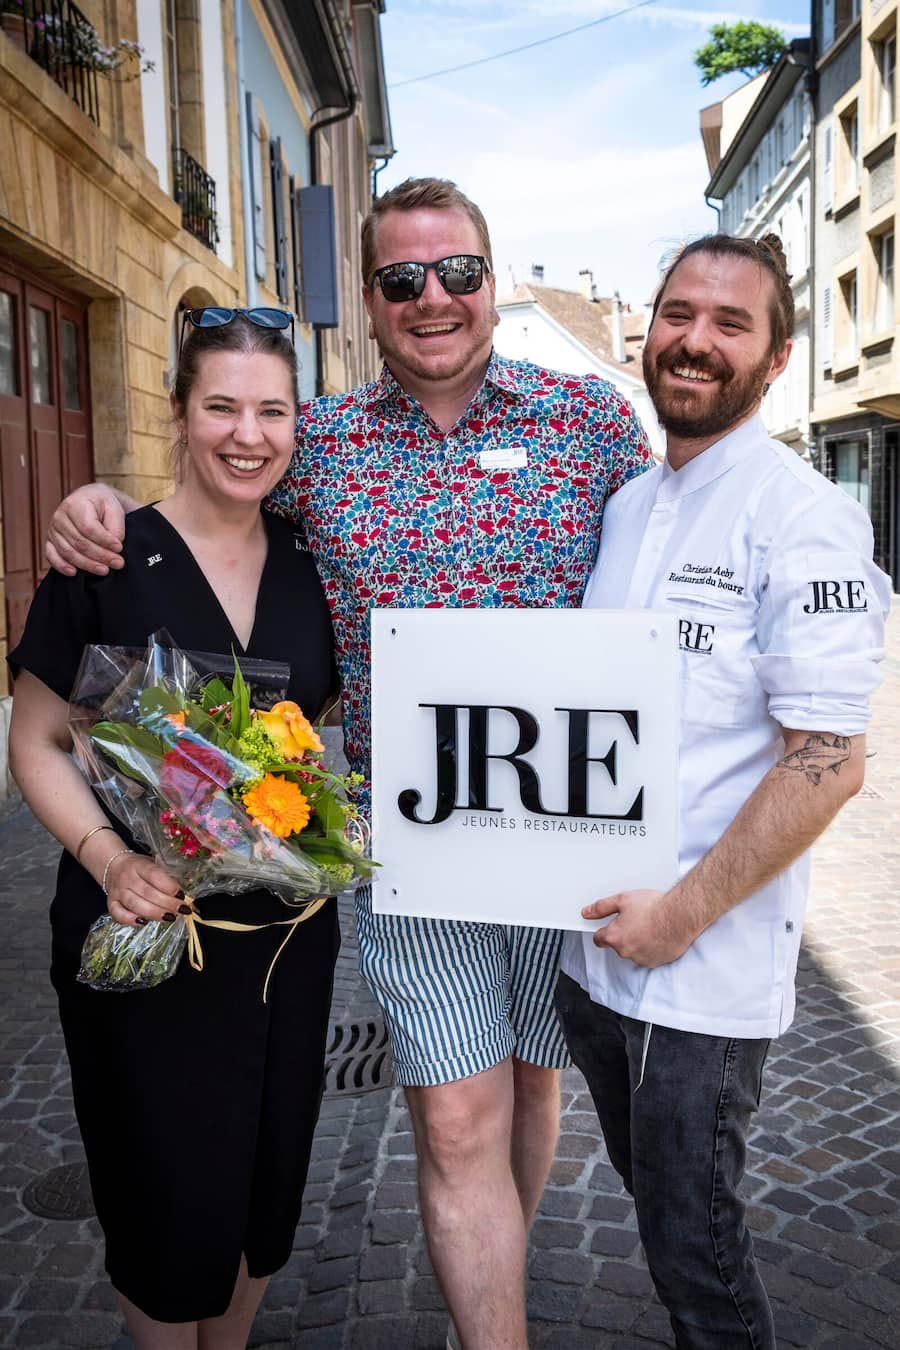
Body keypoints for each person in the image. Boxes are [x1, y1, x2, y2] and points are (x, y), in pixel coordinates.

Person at [43, 177, 652, 1350]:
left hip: (566, 830)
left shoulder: (591, 423)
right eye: (401, 278)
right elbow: (214, 491)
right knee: (457, 1117)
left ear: (492, 275)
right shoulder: (317, 443)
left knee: (531, 1084)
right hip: (404, 837)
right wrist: (96, 506)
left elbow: (669, 571)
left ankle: (499, 1282)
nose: (433, 297)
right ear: (369, 302)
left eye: (458, 272)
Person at [555, 234, 891, 1349]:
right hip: (592, 960)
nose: (695, 340)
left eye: (730, 322)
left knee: (695, 1255)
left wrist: (682, 915)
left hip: (698, 976)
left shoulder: (805, 516)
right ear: (647, 332)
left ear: (777, 355)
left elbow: (829, 760)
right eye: (676, 313)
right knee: (657, 1210)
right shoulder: (627, 506)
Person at [9, 309, 340, 1350]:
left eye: (272, 410)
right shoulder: (106, 557)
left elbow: (324, 732)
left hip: (281, 941)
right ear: (179, 414)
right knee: (159, 1194)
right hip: (142, 932)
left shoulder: (314, 561)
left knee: (260, 1186)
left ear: (298, 423)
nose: (249, 434)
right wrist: (108, 857)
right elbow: (38, 741)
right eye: (223, 407)